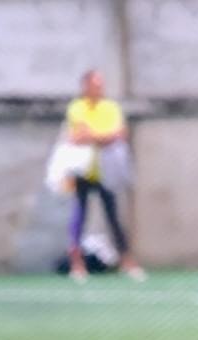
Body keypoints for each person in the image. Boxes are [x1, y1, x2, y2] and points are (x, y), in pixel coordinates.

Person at [65, 69, 144, 282]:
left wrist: (94, 136)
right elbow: (77, 136)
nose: (99, 88)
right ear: (86, 86)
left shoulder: (110, 107)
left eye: (101, 85)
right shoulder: (77, 107)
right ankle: (77, 265)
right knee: (78, 217)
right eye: (95, 84)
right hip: (83, 171)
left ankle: (127, 262)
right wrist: (103, 137)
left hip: (106, 171)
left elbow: (119, 133)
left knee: (113, 217)